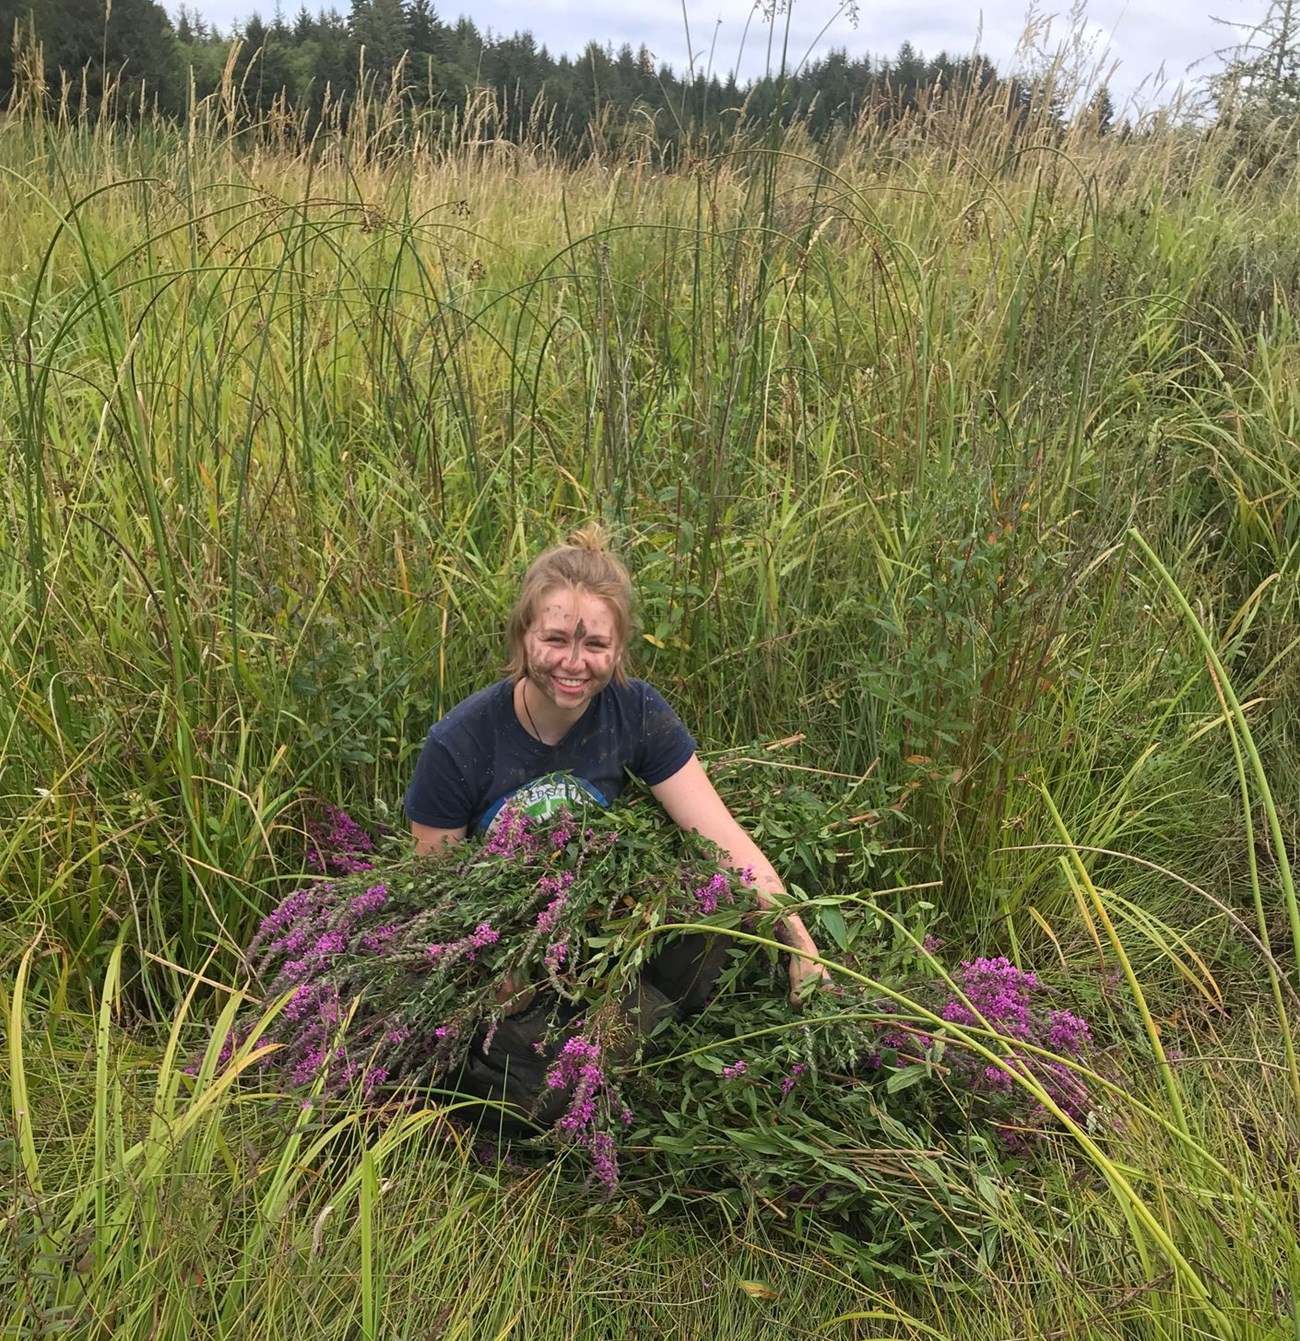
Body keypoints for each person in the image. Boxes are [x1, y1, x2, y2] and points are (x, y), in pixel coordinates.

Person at [403, 524, 829, 1011]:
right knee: (527, 1060)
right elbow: (434, 898)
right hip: (511, 944)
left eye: (596, 645)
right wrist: (489, 971)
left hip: (610, 933)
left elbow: (721, 840)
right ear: (522, 636)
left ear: (620, 648)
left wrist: (797, 937)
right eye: (556, 639)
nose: (574, 662)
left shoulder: (637, 712)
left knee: (716, 922)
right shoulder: (458, 744)